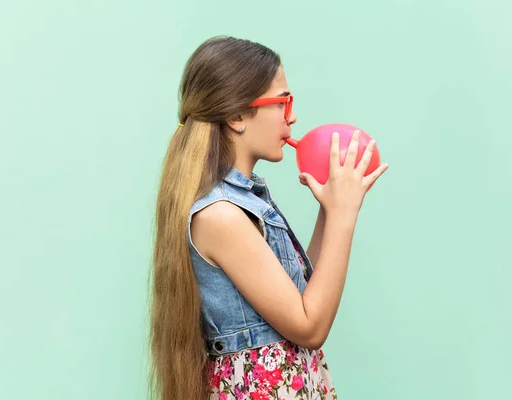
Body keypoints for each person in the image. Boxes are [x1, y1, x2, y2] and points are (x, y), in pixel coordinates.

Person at [149, 36, 388, 400]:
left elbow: (306, 298)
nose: (292, 116)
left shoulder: (247, 204)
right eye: (281, 102)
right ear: (236, 116)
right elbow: (309, 327)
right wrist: (342, 216)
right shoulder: (221, 216)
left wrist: (329, 209)